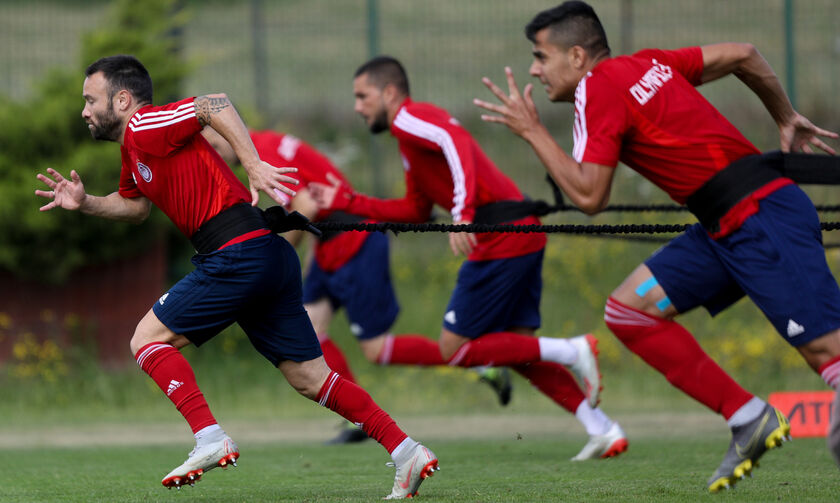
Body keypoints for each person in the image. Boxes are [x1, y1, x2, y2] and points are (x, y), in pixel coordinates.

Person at [474, 0, 840, 491]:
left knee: (827, 352)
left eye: (541, 56)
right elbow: (745, 54)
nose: (535, 70)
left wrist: (532, 131)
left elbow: (589, 196)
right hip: (726, 224)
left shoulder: (596, 88)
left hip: (759, 218)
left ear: (578, 56)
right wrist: (786, 116)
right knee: (631, 310)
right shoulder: (648, 64)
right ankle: (748, 417)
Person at [34, 54, 438, 499]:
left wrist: (254, 164)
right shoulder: (134, 149)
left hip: (236, 252)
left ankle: (209, 437)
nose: (85, 111)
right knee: (310, 377)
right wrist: (86, 202)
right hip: (263, 254)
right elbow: (135, 207)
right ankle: (406, 452)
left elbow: (214, 103)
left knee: (146, 339)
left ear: (123, 99)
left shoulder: (145, 125)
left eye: (91, 100)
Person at [309, 55, 628, 461]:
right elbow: (415, 210)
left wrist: (462, 213)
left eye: (362, 95)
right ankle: (602, 429)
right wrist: (350, 202)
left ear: (389, 92)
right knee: (519, 350)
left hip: (502, 237)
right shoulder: (407, 141)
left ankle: (573, 349)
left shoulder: (409, 118)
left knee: (454, 348)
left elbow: (454, 142)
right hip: (520, 233)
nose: (357, 106)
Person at [204, 128, 515, 445]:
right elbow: (310, 204)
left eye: (215, 145)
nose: (216, 154)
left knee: (377, 349)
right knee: (311, 327)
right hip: (327, 245)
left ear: (229, 134)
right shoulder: (266, 141)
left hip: (356, 241)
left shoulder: (262, 153)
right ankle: (359, 420)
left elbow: (306, 205)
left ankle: (477, 361)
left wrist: (271, 259)